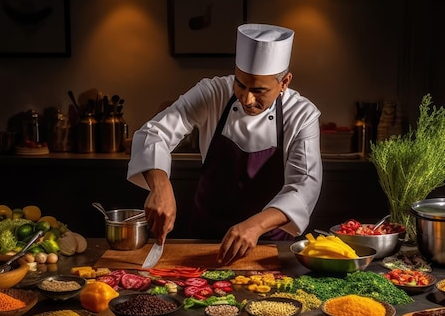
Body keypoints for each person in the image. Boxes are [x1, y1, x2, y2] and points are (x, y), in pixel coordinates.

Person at [127, 23, 323, 265]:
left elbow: (304, 186)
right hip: (203, 238)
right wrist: (160, 186)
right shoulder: (213, 93)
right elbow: (154, 132)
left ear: (285, 82)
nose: (247, 99)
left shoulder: (301, 114)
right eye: (240, 84)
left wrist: (255, 225)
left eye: (259, 90)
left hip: (268, 244)